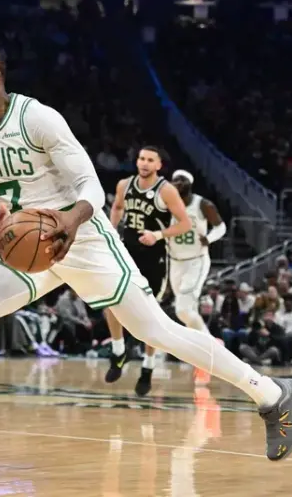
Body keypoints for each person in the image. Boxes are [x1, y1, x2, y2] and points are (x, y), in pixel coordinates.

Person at [0, 42, 292, 478]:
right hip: (22, 243)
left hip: (81, 237)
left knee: (157, 329)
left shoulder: (37, 119)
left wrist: (69, 221)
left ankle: (270, 394)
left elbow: (90, 188)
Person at [103, 147, 192, 396]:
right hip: (127, 251)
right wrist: (111, 230)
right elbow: (118, 207)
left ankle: (148, 366)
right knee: (109, 297)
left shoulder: (166, 190)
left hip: (154, 257)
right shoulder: (124, 184)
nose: (144, 163)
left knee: (150, 315)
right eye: (141, 158)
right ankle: (119, 351)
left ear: (158, 165)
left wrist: (158, 234)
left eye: (150, 160)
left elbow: (185, 224)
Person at [166, 170, 226, 384]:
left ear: (190, 184)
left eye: (181, 180)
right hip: (175, 261)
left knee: (183, 309)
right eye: (174, 180)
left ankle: (206, 355)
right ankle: (210, 344)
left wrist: (209, 238)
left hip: (196, 261)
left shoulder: (202, 204)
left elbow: (221, 226)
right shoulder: (166, 203)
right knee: (183, 312)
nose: (177, 183)